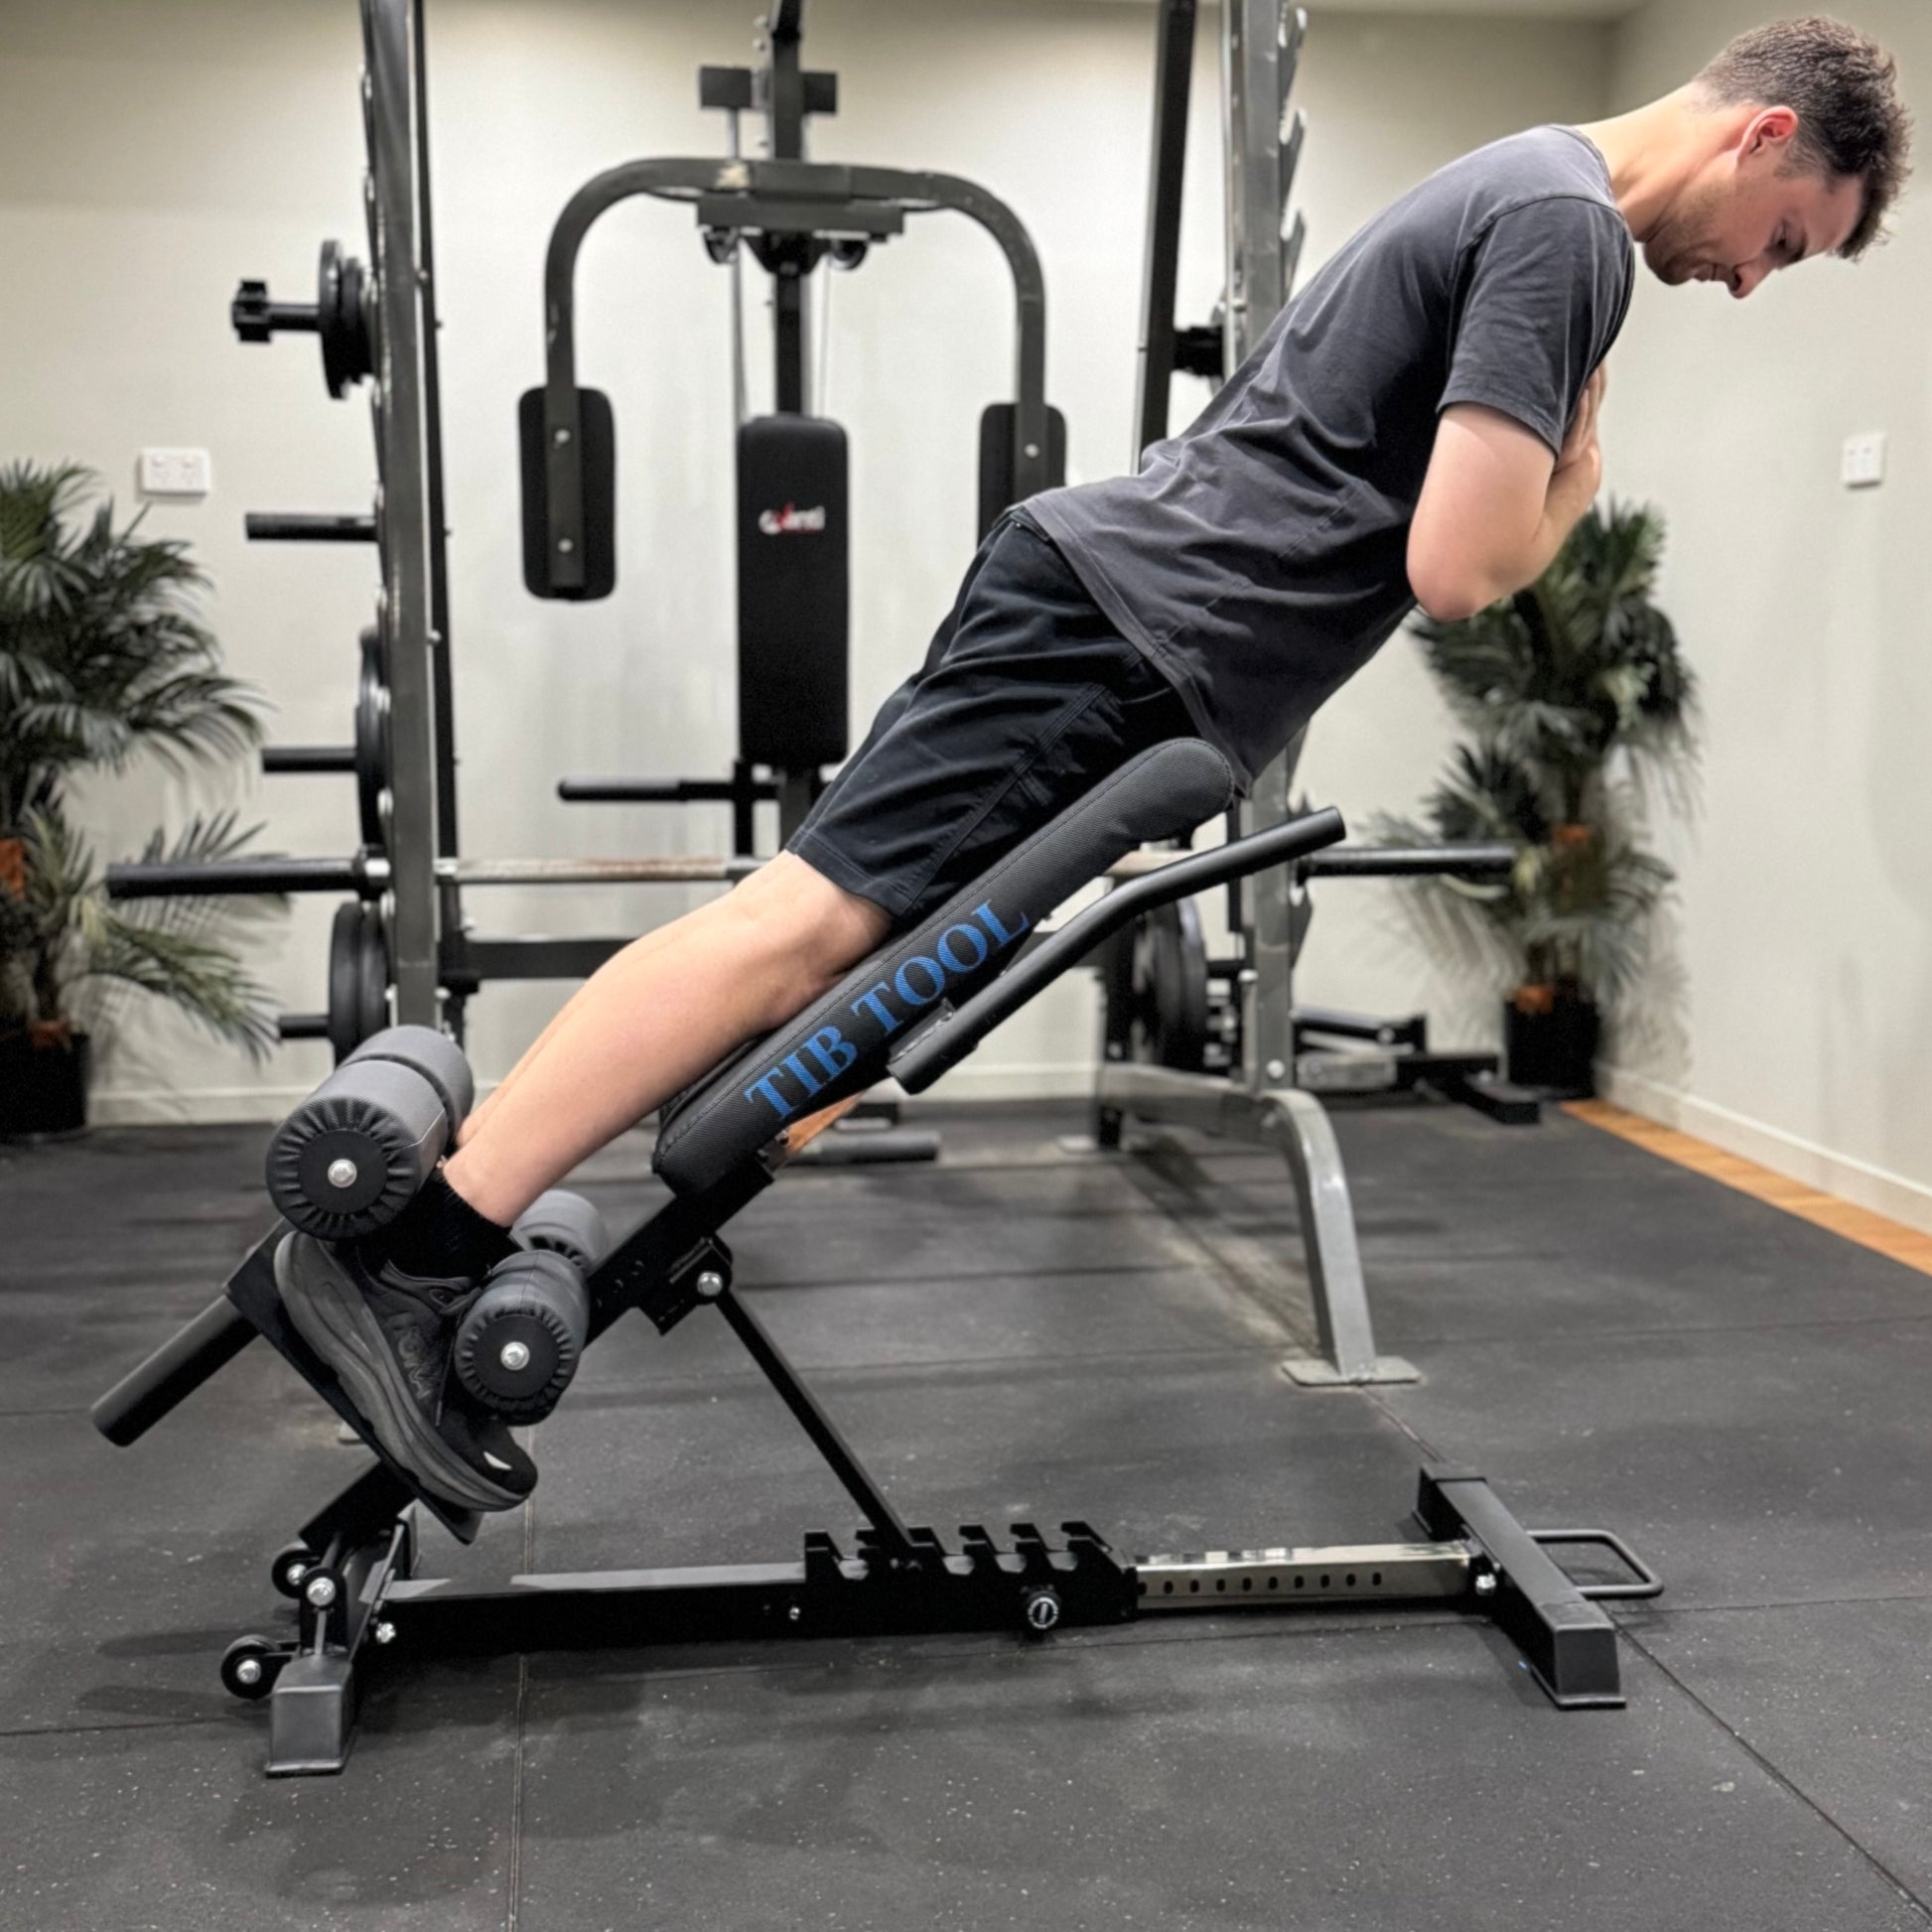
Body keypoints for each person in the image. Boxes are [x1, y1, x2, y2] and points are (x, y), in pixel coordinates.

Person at [276, 17, 1912, 1511]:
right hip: (1130, 636)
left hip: (1127, 632)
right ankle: (416, 1246)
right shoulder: (1564, 232)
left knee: (820, 963)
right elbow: (1457, 567)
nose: (1756, 282)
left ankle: (444, 1225)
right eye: (1784, 244)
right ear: (1760, 136)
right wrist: (1577, 471)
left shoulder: (1528, 186)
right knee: (800, 928)